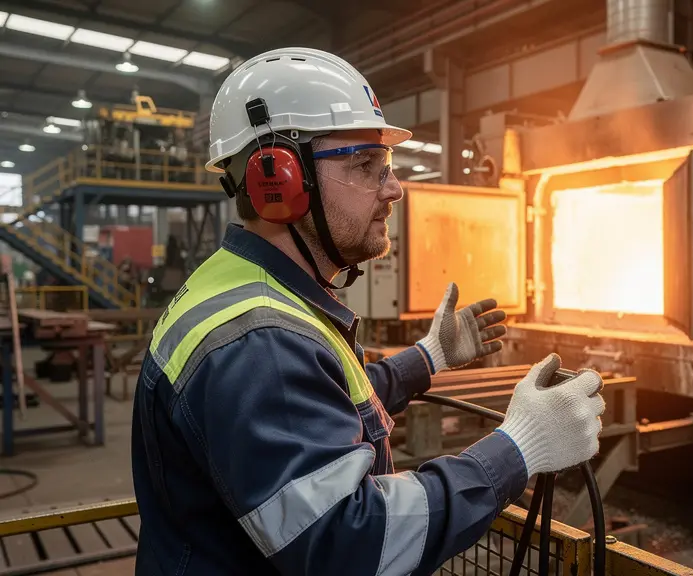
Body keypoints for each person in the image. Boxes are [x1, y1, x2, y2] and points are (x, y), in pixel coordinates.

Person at [131, 47, 607, 576]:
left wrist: (429, 357)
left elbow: (319, 406)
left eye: (388, 167)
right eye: (365, 166)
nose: (394, 189)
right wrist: (518, 447)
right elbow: (352, 543)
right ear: (279, 179)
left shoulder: (256, 292)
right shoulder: (257, 342)